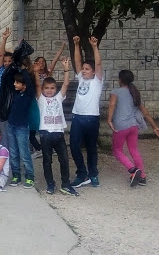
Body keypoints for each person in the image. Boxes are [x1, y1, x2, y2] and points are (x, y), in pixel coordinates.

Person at [107, 70, 159, 187]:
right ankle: (142, 176)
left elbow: (112, 105)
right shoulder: (135, 93)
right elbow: (145, 112)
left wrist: (109, 120)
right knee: (133, 150)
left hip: (121, 126)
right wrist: (154, 127)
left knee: (117, 150)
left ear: (120, 80)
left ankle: (133, 170)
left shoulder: (116, 92)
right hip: (133, 126)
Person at [34, 58, 79, 196]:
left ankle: (65, 184)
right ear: (43, 89)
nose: (49, 90)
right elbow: (37, 84)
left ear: (56, 89)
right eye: (46, 88)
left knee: (64, 160)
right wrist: (36, 72)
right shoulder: (41, 99)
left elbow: (66, 83)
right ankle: (50, 183)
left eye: (52, 88)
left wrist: (66, 69)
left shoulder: (59, 97)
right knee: (47, 161)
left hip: (58, 134)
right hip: (45, 134)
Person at [70, 36, 103, 188]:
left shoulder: (97, 81)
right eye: (83, 69)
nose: (83, 71)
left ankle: (93, 174)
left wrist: (95, 47)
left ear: (94, 72)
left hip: (92, 118)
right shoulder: (81, 79)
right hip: (77, 117)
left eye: (87, 69)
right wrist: (76, 45)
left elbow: (98, 63)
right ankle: (82, 174)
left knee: (91, 148)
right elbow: (77, 62)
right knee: (74, 146)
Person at [28, 43, 67, 159]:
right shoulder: (32, 74)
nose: (41, 63)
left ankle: (45, 147)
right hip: (36, 101)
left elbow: (54, 61)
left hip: (47, 103)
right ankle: (38, 147)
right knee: (33, 126)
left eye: (43, 62)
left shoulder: (47, 73)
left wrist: (61, 49)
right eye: (38, 62)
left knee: (43, 123)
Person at [7, 70, 36, 189]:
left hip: (22, 128)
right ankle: (16, 175)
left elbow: (29, 82)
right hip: (11, 126)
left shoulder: (29, 94)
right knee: (13, 153)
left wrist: (24, 70)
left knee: (24, 153)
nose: (15, 84)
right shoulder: (16, 93)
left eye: (17, 82)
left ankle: (30, 177)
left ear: (24, 85)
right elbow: (9, 79)